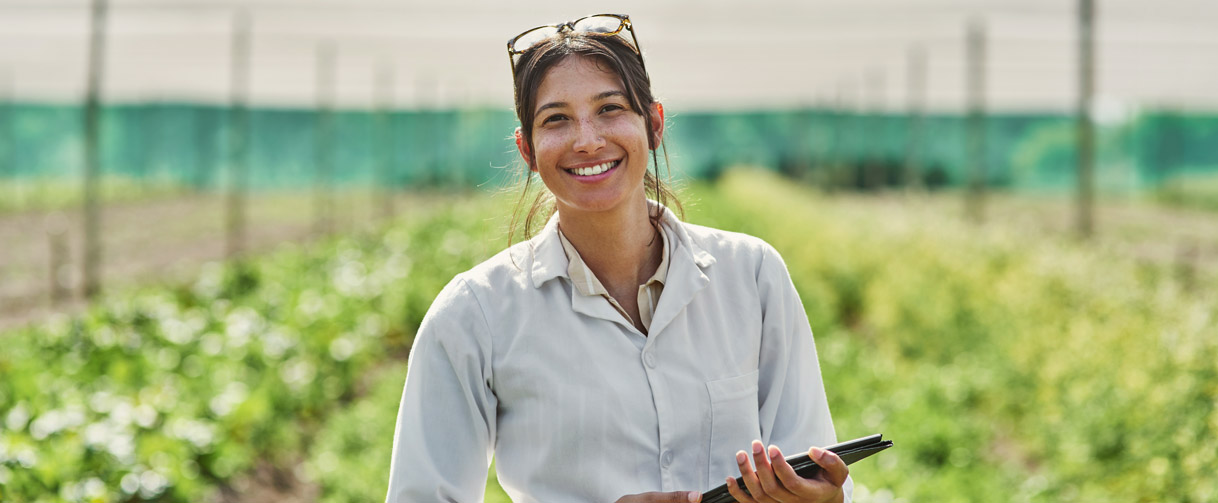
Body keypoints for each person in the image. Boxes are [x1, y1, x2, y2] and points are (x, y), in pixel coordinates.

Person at [386, 13, 852, 503]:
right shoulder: (475, 314)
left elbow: (809, 459)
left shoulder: (752, 276)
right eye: (556, 119)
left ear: (652, 124)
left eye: (609, 109)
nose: (587, 140)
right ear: (527, 148)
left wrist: (823, 497)